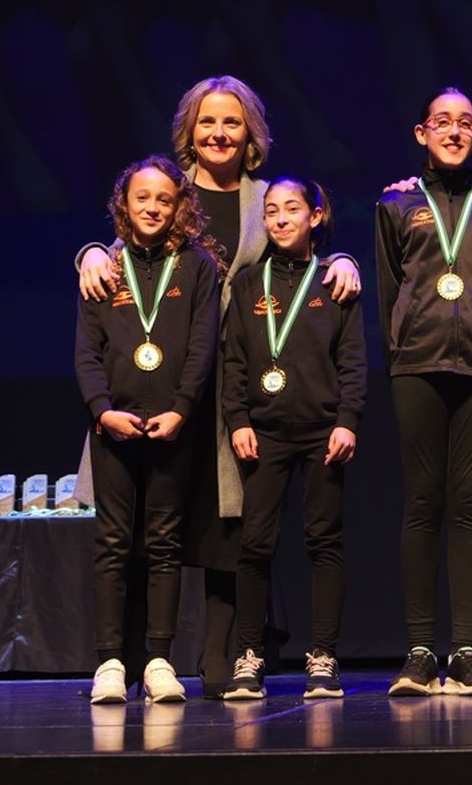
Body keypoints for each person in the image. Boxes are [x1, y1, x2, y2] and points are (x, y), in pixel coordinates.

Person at [74, 76, 362, 698]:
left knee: (229, 522)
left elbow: (305, 249)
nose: (219, 133)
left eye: (232, 122)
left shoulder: (267, 198)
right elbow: (125, 249)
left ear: (250, 132)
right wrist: (91, 251)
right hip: (163, 383)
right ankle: (132, 658)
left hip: (238, 382)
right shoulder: (168, 190)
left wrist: (344, 259)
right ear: (189, 130)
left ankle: (225, 654)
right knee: (141, 526)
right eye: (207, 121)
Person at [377, 87, 472, 696]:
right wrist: (402, 349)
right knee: (421, 503)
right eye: (442, 122)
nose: (454, 131)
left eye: (465, 123)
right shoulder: (395, 204)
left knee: (468, 504)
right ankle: (418, 652)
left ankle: (464, 651)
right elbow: (388, 286)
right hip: (416, 363)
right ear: (422, 133)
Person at [75, 155, 222, 704]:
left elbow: (203, 346)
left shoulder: (197, 266)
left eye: (164, 198)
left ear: (180, 205)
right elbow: (87, 352)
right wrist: (101, 409)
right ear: (125, 204)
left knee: (164, 543)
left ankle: (159, 659)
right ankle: (110, 662)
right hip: (112, 427)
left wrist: (182, 408)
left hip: (171, 427)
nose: (153, 207)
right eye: (143, 197)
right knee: (112, 543)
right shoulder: (105, 267)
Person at [218, 177, 367, 701]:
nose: (280, 219)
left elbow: (352, 359)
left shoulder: (335, 281)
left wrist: (348, 419)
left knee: (324, 541)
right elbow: (233, 359)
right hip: (263, 433)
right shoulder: (247, 284)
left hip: (324, 431)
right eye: (271, 211)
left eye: (292, 209)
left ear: (315, 216)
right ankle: (249, 654)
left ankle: (323, 655)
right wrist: (238, 419)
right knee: (256, 544)